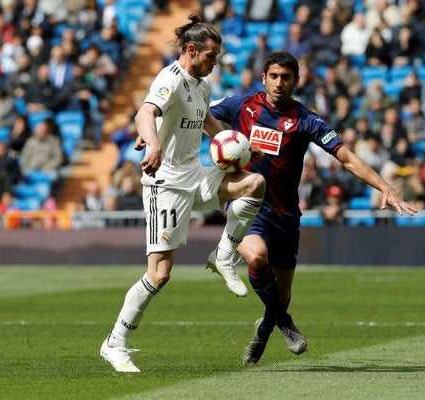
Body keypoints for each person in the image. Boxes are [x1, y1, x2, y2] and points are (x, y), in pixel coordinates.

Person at [209, 51, 417, 366]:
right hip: (248, 206)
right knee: (255, 256)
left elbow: (345, 157)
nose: (279, 83)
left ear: (296, 80)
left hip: (286, 213)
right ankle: (286, 324)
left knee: (283, 292)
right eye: (274, 76)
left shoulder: (306, 119)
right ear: (264, 77)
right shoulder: (240, 105)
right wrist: (153, 129)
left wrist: (384, 186)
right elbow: (195, 114)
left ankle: (265, 329)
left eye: (286, 77)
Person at [100, 14, 266, 373]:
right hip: (167, 185)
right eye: (211, 56)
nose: (215, 63)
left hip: (195, 176)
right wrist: (154, 145)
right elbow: (145, 113)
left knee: (253, 183)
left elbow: (207, 121)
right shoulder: (170, 79)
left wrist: (238, 145)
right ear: (191, 51)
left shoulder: (202, 86)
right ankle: (116, 342)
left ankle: (223, 256)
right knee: (159, 273)